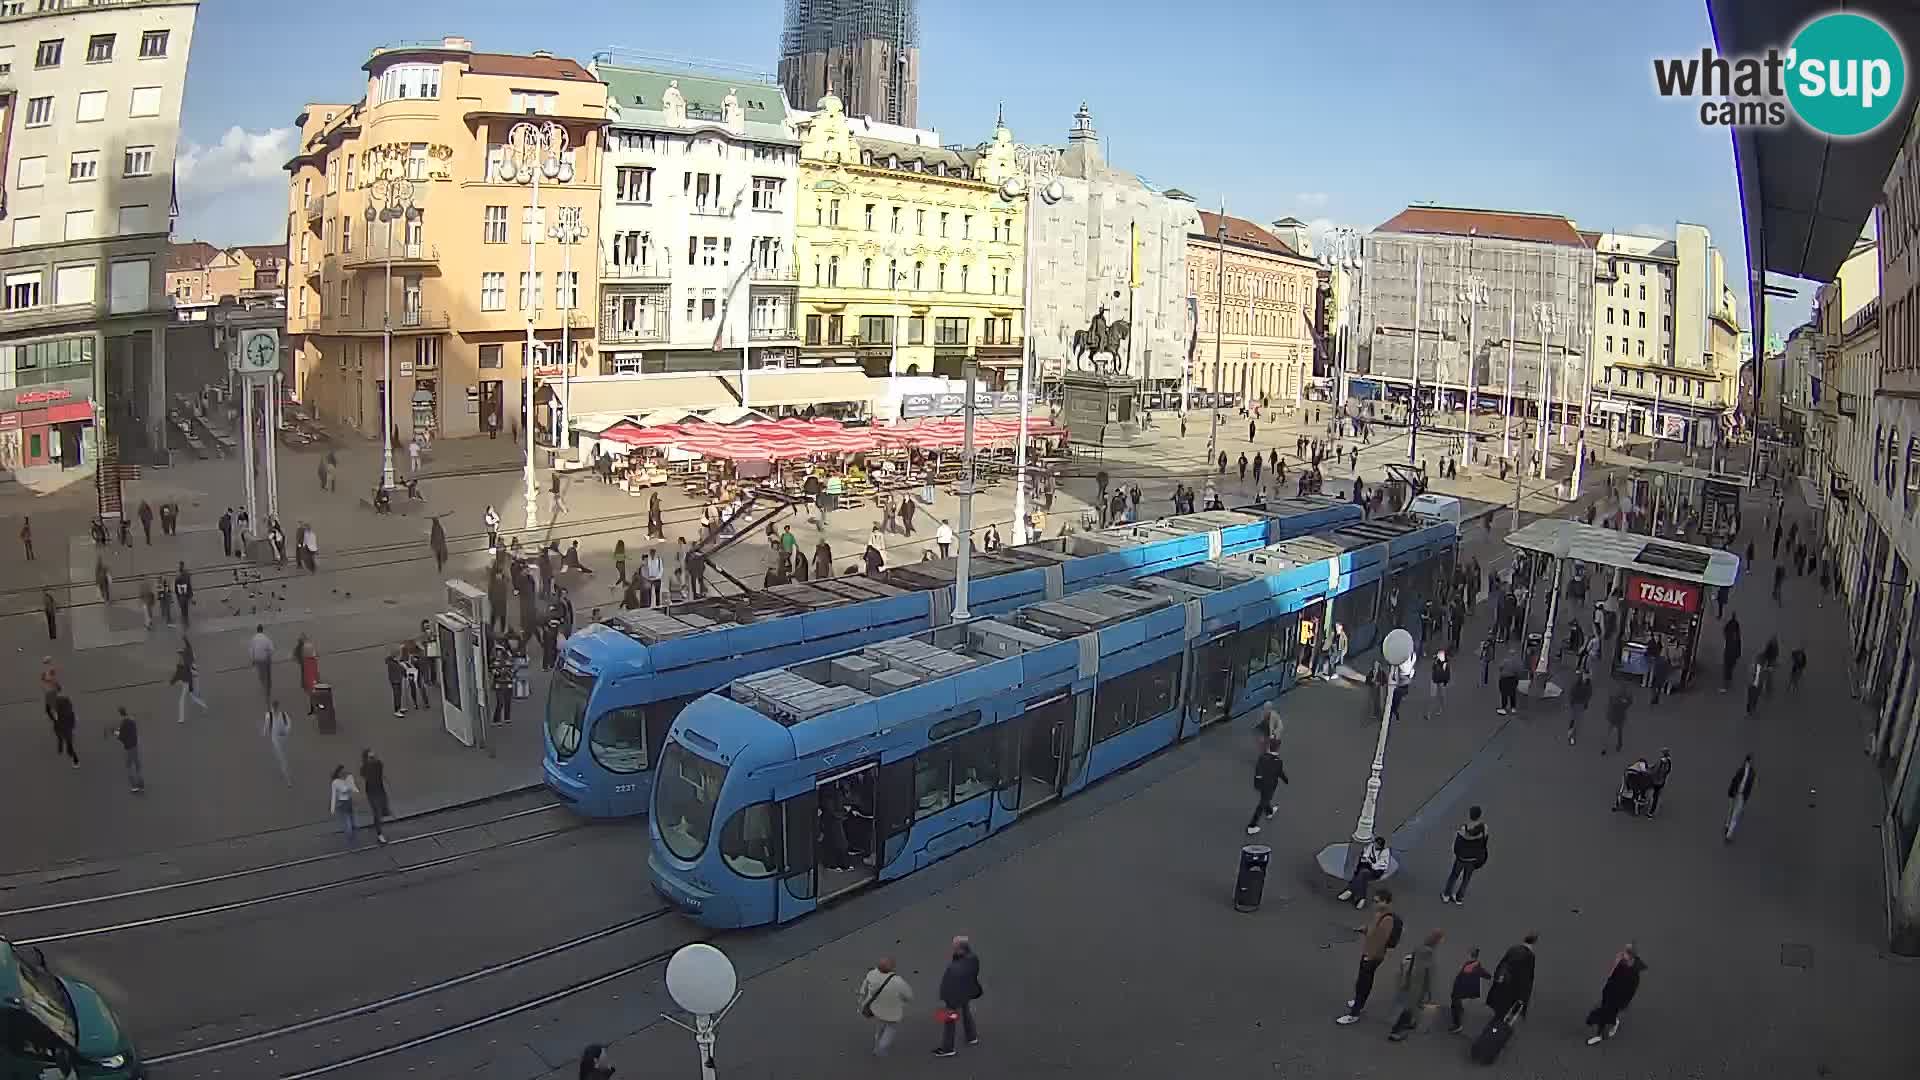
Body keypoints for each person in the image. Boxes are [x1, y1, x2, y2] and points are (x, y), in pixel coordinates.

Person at [1336, 890, 1400, 1024]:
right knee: (1364, 981)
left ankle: (1354, 1013)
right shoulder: (1379, 914)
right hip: (1368, 954)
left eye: (1378, 902)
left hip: (1372, 957)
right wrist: (1365, 929)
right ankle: (1360, 1003)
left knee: (1362, 984)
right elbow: (1373, 929)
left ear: (1386, 902)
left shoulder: (1387, 919)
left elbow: (1381, 941)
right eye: (1374, 901)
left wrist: (1370, 957)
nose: (1375, 904)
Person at [1388, 928, 1444, 1041]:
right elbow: (1428, 976)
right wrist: (1430, 993)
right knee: (1409, 1009)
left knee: (1411, 1007)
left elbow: (1412, 966)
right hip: (1418, 988)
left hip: (1411, 983)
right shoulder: (1429, 955)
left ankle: (1409, 1022)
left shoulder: (1419, 948)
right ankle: (1396, 1032)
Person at [1584, 945, 1647, 1045]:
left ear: (1631, 957)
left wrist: (1623, 1003)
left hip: (1618, 998)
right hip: (1610, 993)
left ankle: (1598, 1036)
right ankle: (1611, 1023)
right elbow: (1611, 975)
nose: (1623, 953)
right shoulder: (1622, 963)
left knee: (1604, 1015)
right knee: (1604, 1012)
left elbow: (1630, 991)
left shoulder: (1634, 975)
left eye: (1626, 953)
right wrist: (1616, 962)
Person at [934, 936, 983, 1057]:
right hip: (966, 991)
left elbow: (948, 986)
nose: (953, 949)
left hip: (954, 997)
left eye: (955, 947)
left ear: (960, 949)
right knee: (966, 1012)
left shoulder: (953, 968)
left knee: (950, 1020)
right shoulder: (973, 958)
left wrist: (944, 999)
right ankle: (971, 1037)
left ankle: (948, 1048)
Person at [856, 955, 914, 1056]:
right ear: (891, 967)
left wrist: (861, 1000)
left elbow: (864, 988)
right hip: (892, 1012)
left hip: (876, 1009)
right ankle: (881, 1048)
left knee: (880, 1027)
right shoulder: (897, 981)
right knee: (890, 1029)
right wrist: (905, 1001)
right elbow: (909, 995)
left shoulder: (871, 974)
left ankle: (876, 1045)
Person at [1485, 933, 1539, 1022]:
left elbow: (1503, 962)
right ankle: (1503, 1019)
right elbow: (1528, 974)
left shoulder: (1513, 948)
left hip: (1505, 979)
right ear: (1534, 942)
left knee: (1502, 998)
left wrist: (1498, 976)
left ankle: (1498, 1014)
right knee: (1512, 1001)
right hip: (1516, 983)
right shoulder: (1530, 955)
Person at [1442, 806, 1489, 904]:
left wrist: (1457, 854)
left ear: (1470, 815)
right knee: (1466, 879)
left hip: (1462, 858)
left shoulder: (1464, 829)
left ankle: (1446, 895)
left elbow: (1457, 845)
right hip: (1473, 859)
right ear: (1479, 815)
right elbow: (1485, 841)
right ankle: (1459, 898)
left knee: (1454, 875)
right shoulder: (1484, 828)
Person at [1246, 737, 1290, 834]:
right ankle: (1252, 825)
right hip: (1270, 785)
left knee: (1265, 798)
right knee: (1262, 803)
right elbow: (1280, 772)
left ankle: (1269, 812)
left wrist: (1257, 782)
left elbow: (1258, 770)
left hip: (1261, 784)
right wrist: (1286, 780)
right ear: (1278, 748)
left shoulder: (1262, 757)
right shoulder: (1278, 761)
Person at [1448, 947, 1494, 1034]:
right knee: (1457, 1005)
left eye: (1468, 954)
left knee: (1455, 1005)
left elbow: (1463, 979)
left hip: (1461, 991)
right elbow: (1485, 974)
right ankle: (1459, 1019)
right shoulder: (1475, 964)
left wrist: (1455, 991)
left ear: (1470, 955)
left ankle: (1457, 1026)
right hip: (1464, 991)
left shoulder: (1471, 966)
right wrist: (1491, 977)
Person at [1337, 836, 1391, 908]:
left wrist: (1369, 861)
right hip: (1368, 866)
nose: (1375, 845)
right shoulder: (1371, 846)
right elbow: (1366, 854)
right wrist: (1366, 858)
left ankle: (1350, 891)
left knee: (1362, 873)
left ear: (1381, 846)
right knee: (1362, 875)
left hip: (1377, 871)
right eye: (1375, 843)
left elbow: (1377, 865)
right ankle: (1361, 898)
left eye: (1377, 845)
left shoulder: (1385, 852)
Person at [361, 748, 390, 844]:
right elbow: (365, 774)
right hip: (372, 793)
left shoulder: (378, 765)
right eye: (370, 757)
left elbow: (379, 764)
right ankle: (379, 834)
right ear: (366, 758)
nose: (373, 758)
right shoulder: (364, 768)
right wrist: (368, 763)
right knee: (377, 812)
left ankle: (378, 825)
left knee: (383, 811)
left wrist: (373, 760)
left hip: (380, 791)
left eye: (373, 756)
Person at [1725, 753, 1756, 842]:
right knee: (1730, 811)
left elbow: (1750, 787)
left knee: (1736, 815)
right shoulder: (1741, 769)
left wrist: (1746, 798)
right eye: (1747, 761)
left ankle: (1728, 835)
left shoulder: (1752, 773)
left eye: (1749, 761)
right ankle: (1727, 825)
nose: (1748, 763)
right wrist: (1731, 791)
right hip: (1735, 792)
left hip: (1742, 795)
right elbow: (1734, 780)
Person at [171, 646, 207, 724]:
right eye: (179, 654)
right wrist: (172, 682)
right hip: (186, 683)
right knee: (190, 698)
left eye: (181, 653)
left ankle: (203, 705)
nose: (179, 655)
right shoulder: (180, 663)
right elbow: (178, 674)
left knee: (190, 698)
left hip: (189, 683)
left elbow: (194, 673)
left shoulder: (189, 663)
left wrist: (191, 674)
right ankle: (182, 719)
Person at [329, 765, 359, 844]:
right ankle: (350, 840)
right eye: (342, 772)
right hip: (342, 803)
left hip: (350, 801)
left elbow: (354, 788)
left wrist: (355, 791)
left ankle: (353, 838)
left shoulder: (348, 778)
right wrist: (332, 809)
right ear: (338, 773)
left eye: (344, 772)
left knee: (353, 823)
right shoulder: (336, 782)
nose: (344, 774)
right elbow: (336, 794)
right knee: (348, 824)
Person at [1603, 679, 1631, 755]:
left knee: (1612, 730)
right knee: (1618, 731)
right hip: (1618, 716)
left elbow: (1613, 703)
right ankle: (1617, 744)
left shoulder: (1621, 696)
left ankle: (1607, 745)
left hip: (1616, 715)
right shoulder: (1623, 696)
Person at [51, 692, 78, 768]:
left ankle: (63, 748)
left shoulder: (64, 709)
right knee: (65, 740)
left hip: (64, 726)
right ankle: (73, 756)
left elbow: (71, 718)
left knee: (64, 740)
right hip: (65, 726)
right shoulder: (65, 709)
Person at [1567, 669, 1593, 745]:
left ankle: (1572, 736)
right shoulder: (1577, 683)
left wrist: (1586, 702)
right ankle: (1570, 731)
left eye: (1587, 675)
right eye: (1585, 675)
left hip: (1581, 704)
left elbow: (1589, 695)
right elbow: (1572, 691)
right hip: (1575, 703)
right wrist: (1572, 700)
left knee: (1577, 721)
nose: (1586, 677)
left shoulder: (1588, 685)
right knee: (1573, 718)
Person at [248, 625, 275, 699]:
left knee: (261, 673)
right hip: (265, 659)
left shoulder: (253, 638)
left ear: (257, 630)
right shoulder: (266, 638)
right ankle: (268, 685)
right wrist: (269, 656)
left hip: (257, 659)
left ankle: (263, 685)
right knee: (268, 672)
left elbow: (251, 650)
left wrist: (253, 660)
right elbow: (272, 650)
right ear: (262, 630)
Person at [1647, 748, 1673, 816]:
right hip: (1662, 781)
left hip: (1656, 781)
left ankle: (1650, 811)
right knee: (1657, 794)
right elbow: (1668, 771)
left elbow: (1655, 770)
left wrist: (1649, 769)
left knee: (1652, 793)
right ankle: (1652, 811)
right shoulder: (1669, 761)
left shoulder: (1661, 761)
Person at [1426, 650, 1451, 718]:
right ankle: (1429, 713)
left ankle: (1441, 708)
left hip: (1441, 681)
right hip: (1434, 680)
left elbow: (1447, 674)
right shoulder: (1435, 662)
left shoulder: (1445, 664)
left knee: (1442, 696)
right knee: (1433, 696)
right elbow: (1433, 669)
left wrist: (1446, 682)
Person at [385, 648, 407, 718]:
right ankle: (396, 711)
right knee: (396, 695)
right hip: (395, 681)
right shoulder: (392, 663)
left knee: (399, 694)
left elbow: (402, 669)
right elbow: (401, 669)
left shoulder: (395, 662)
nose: (399, 657)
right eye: (398, 656)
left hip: (398, 679)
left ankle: (399, 708)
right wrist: (404, 673)